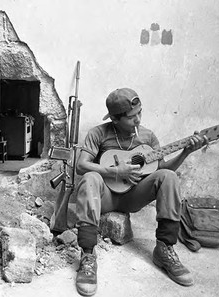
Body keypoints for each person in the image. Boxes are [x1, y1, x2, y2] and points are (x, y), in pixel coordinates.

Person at [74, 88, 207, 296]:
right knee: (90, 177)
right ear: (115, 119)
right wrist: (115, 171)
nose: (137, 119)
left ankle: (164, 250)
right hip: (105, 197)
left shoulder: (147, 136)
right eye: (131, 116)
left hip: (134, 197)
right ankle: (88, 256)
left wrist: (186, 152)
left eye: (140, 113)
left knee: (169, 177)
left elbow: (164, 172)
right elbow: (80, 166)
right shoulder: (99, 133)